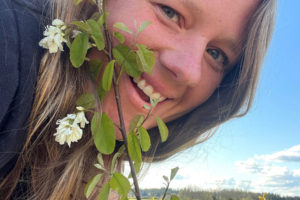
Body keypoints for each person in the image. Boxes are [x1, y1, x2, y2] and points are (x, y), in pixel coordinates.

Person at [0, 0, 276, 199]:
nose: (188, 71)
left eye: (216, 54)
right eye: (170, 12)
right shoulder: (12, 42)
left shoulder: (104, 164)